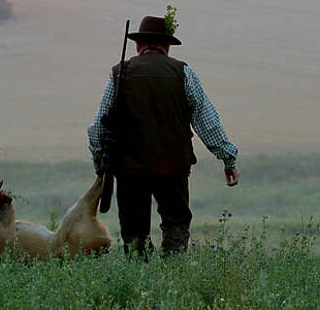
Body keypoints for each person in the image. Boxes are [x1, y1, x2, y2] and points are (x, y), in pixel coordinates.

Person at [87, 13, 239, 257]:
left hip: (129, 168)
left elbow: (97, 128)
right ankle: (173, 275)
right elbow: (207, 122)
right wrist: (228, 159)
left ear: (138, 45)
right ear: (167, 45)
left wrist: (98, 159)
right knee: (176, 224)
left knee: (134, 232)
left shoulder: (119, 73)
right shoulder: (183, 73)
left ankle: (140, 279)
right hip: (173, 165)